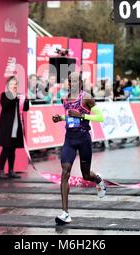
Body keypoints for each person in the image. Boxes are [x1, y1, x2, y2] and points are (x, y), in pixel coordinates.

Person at [51, 71, 106, 225]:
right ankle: (65, 213)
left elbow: (100, 117)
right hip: (69, 139)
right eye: (70, 81)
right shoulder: (65, 98)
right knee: (64, 173)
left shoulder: (87, 97)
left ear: (80, 83)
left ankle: (98, 179)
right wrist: (60, 118)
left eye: (75, 81)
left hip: (83, 138)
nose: (72, 84)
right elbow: (70, 117)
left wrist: (82, 116)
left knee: (86, 175)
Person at [0, 76, 30, 179]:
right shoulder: (5, 95)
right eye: (11, 84)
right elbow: (5, 105)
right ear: (8, 85)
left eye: (15, 84)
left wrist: (26, 100)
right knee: (6, 148)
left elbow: (26, 108)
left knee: (12, 150)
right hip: (7, 127)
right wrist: (13, 96)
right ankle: (1, 170)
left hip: (17, 126)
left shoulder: (19, 96)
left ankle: (11, 170)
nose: (13, 86)